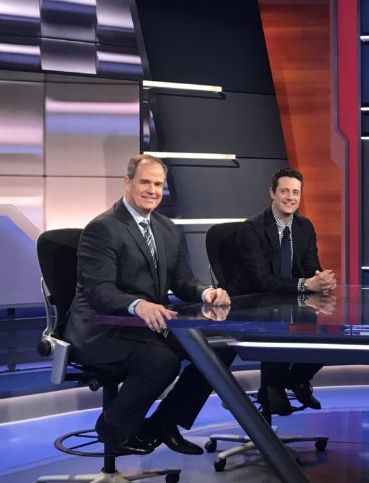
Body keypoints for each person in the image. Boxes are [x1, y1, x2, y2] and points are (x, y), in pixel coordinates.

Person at [64, 154, 235, 456]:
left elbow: (182, 280)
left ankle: (164, 424)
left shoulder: (166, 227)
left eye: (158, 184)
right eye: (145, 182)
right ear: (127, 183)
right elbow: (99, 291)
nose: (152, 190)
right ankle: (114, 427)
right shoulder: (103, 228)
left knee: (219, 348)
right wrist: (138, 305)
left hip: (149, 325)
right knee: (162, 362)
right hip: (102, 328)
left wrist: (206, 292)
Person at [228, 167, 336, 416]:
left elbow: (311, 267)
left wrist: (321, 279)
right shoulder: (252, 230)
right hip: (252, 304)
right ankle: (273, 389)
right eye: (284, 191)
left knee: (332, 331)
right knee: (276, 325)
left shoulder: (304, 227)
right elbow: (263, 280)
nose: (290, 197)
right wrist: (305, 285)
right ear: (272, 193)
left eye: (295, 192)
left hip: (289, 301)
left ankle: (295, 380)